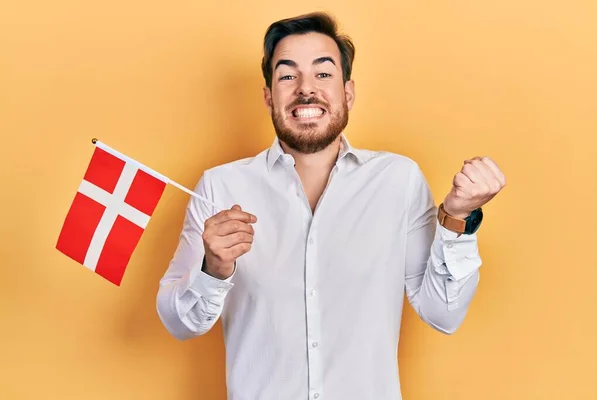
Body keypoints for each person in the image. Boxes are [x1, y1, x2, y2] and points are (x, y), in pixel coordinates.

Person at [156, 11, 506, 400]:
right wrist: (213, 269)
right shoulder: (221, 186)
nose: (306, 89)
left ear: (348, 92)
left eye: (323, 74)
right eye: (287, 75)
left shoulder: (398, 180)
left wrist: (456, 219)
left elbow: (443, 314)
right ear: (269, 96)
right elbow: (178, 322)